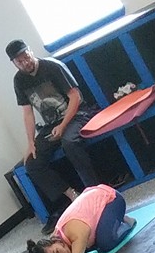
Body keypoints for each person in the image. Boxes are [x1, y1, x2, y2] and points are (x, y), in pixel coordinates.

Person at [9, 38, 98, 211]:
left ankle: (94, 190)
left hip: (77, 114)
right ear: (14, 63)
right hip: (51, 124)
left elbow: (75, 96)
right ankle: (73, 196)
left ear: (30, 51)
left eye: (26, 57)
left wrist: (63, 125)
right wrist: (30, 142)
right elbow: (27, 113)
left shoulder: (52, 66)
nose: (25, 63)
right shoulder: (19, 81)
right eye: (19, 61)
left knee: (69, 142)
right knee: (32, 163)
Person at [27, 184, 133, 253]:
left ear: (56, 241)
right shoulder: (50, 250)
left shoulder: (75, 233)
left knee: (105, 243)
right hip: (90, 202)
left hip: (111, 198)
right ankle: (110, 224)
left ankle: (125, 222)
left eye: (57, 252)